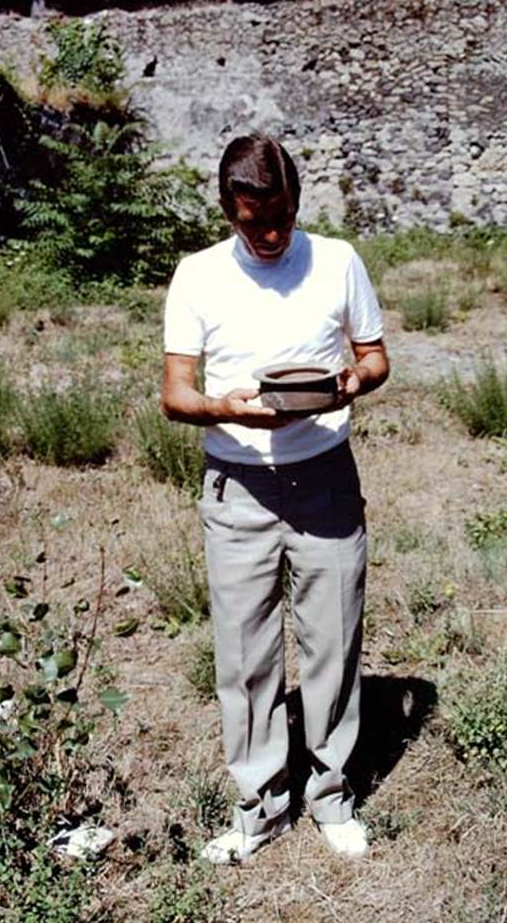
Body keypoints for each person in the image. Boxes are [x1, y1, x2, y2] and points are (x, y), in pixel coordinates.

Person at [161, 134, 389, 864]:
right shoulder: (196, 276)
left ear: (296, 201)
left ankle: (330, 795)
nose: (268, 235)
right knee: (246, 656)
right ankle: (260, 809)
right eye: (251, 221)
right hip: (239, 488)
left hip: (324, 477)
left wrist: (352, 382)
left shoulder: (337, 260)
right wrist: (227, 410)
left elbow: (374, 355)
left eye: (281, 217)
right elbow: (175, 395)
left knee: (332, 643)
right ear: (227, 210)